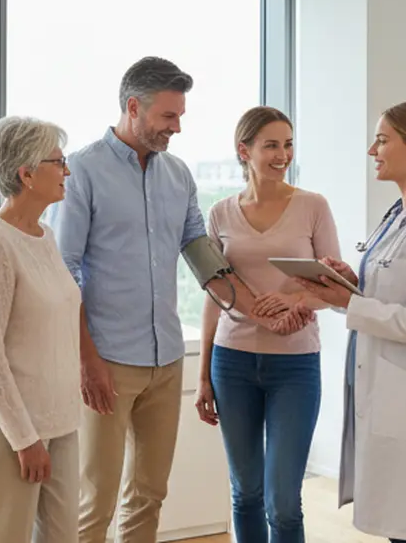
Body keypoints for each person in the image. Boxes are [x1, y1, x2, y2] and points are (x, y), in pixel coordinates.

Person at [53, 57, 309, 543]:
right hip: (107, 359)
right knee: (96, 500)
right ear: (134, 107)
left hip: (165, 359)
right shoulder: (82, 172)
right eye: (169, 116)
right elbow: (67, 275)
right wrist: (86, 361)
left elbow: (202, 254)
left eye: (181, 116)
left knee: (149, 494)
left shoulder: (177, 175)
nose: (177, 127)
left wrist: (260, 311)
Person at [295, 101, 406, 543]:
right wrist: (350, 285)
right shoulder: (399, 215)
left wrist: (351, 305)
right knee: (399, 527)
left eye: (381, 139)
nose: (372, 149)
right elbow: (392, 294)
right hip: (387, 389)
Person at [193, 106, 341, 543]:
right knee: (246, 493)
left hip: (294, 366)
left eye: (288, 144)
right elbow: (214, 296)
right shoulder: (220, 212)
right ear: (245, 151)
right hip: (231, 362)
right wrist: (204, 376)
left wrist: (296, 298)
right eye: (271, 145)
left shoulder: (313, 206)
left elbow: (335, 289)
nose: (283, 154)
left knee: (283, 501)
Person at [0, 115, 82, 543]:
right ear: (26, 174)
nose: (66, 171)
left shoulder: (44, 236)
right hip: (10, 432)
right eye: (58, 161)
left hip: (61, 421)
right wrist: (24, 439)